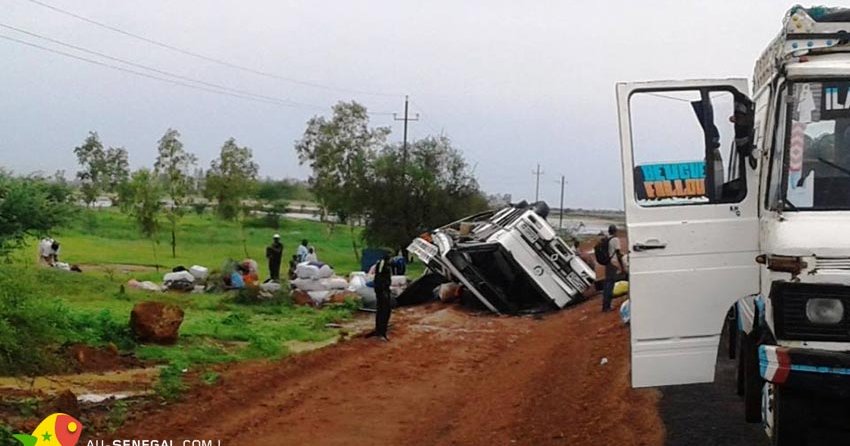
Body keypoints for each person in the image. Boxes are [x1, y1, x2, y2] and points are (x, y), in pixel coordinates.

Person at [595, 224, 626, 312]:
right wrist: (622, 267)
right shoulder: (615, 240)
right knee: (610, 285)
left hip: (608, 263)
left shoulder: (607, 239)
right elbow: (618, 254)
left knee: (608, 284)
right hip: (613, 263)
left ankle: (606, 305)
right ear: (615, 231)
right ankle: (606, 307)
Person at [369, 252, 393, 341]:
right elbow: (379, 278)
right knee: (384, 310)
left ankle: (381, 330)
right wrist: (382, 290)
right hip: (382, 290)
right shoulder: (382, 264)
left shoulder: (384, 264)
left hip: (384, 290)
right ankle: (381, 332)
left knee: (384, 310)